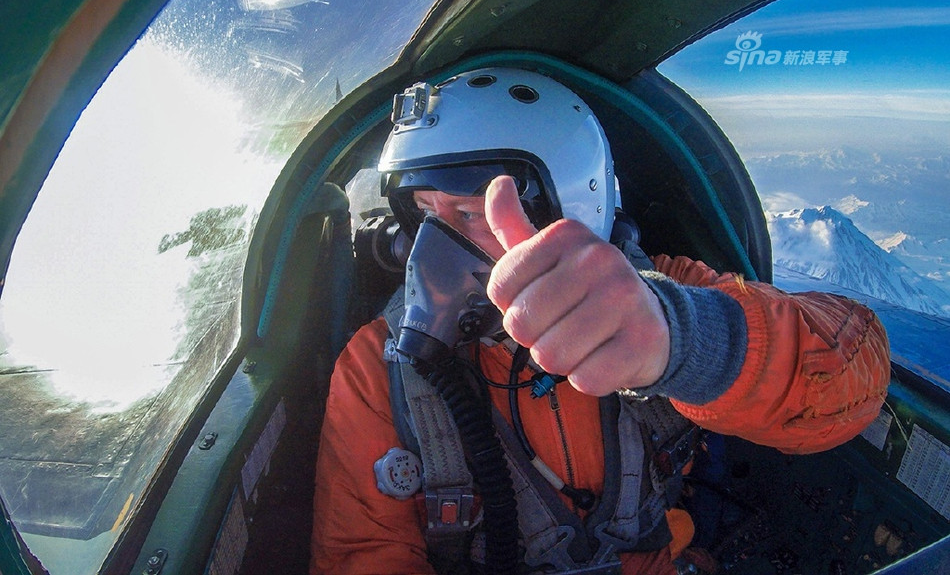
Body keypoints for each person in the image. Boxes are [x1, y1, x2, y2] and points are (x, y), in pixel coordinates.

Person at [310, 67, 891, 574]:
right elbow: (365, 556)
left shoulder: (667, 294)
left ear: (569, 206)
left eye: (468, 211)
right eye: (424, 213)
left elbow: (850, 377)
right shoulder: (381, 368)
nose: (433, 251)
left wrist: (684, 343)